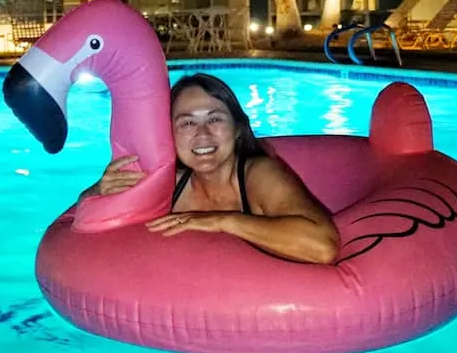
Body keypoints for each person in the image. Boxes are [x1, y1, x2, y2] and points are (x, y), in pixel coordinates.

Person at [83, 73, 340, 265]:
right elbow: (83, 223)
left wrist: (223, 221)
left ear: (238, 128)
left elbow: (322, 247)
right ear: (168, 136)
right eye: (187, 123)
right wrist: (99, 190)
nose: (203, 134)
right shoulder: (165, 184)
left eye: (215, 119)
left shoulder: (259, 175)